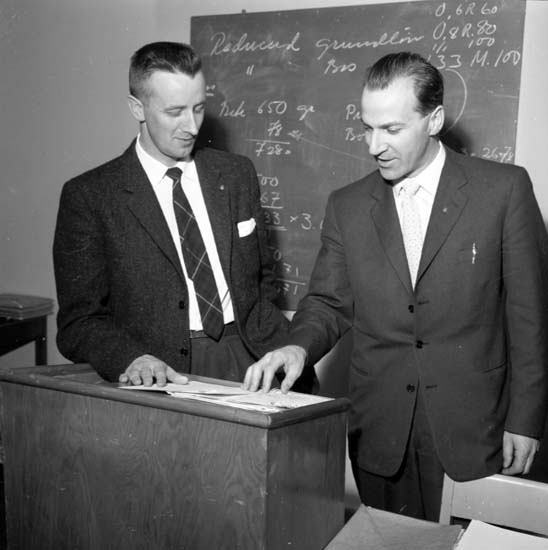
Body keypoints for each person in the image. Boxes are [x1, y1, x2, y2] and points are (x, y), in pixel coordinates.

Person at [243, 51, 548, 521]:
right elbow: (326, 302)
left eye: (391, 129)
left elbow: (530, 318)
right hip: (380, 434)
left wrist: (525, 421)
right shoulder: (347, 206)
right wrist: (296, 348)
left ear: (434, 120)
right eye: (367, 128)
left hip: (477, 431)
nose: (374, 146)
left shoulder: (503, 191)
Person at [53, 41, 315, 391]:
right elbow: (78, 321)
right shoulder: (90, 196)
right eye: (175, 112)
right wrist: (131, 358)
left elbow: (262, 282)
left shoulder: (236, 174)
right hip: (166, 371)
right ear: (137, 108)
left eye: (199, 108)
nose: (191, 126)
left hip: (255, 357)